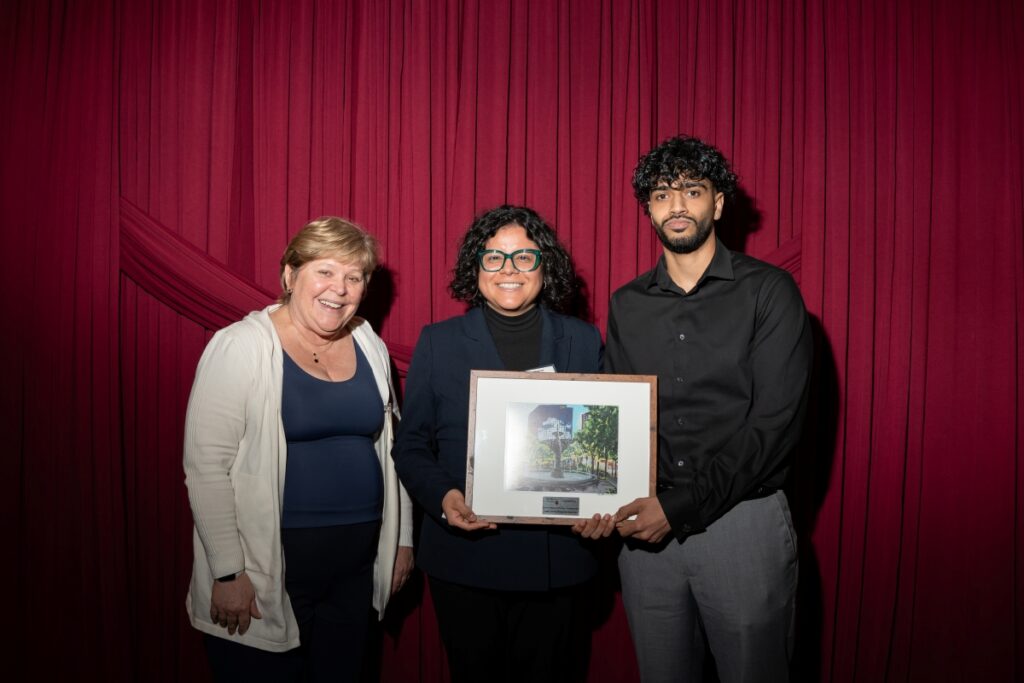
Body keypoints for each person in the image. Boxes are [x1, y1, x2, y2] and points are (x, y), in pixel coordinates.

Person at [606, 136, 813, 682]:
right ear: (648, 209)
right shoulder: (626, 304)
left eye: (691, 191)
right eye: (660, 195)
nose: (676, 206)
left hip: (742, 523)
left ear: (717, 204)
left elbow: (775, 425)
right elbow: (620, 418)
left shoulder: (769, 291)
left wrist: (679, 507)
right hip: (646, 535)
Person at [183, 217, 413, 683]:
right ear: (290, 274)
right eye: (325, 271)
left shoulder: (367, 340)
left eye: (354, 277)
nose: (340, 289)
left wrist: (402, 540)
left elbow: (394, 449)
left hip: (354, 567)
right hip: (269, 569)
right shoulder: (240, 346)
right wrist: (228, 573)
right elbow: (206, 468)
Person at [392, 205, 609, 683]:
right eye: (494, 258)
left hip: (559, 560)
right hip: (466, 557)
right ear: (477, 268)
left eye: (523, 258)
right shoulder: (439, 342)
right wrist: (444, 498)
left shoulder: (582, 339)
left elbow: (603, 442)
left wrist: (602, 499)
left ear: (544, 267)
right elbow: (409, 447)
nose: (508, 271)